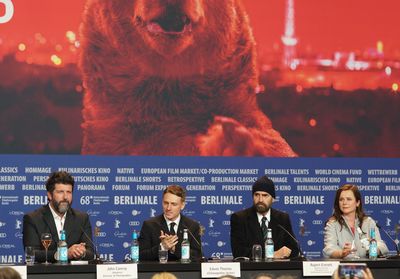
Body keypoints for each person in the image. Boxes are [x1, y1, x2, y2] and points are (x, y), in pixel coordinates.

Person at [23, 171, 94, 263]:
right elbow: (32, 253)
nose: (65, 197)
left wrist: (81, 252)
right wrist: (64, 254)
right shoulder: (33, 218)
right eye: (60, 192)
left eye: (69, 192)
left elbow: (91, 252)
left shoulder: (82, 218)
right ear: (49, 195)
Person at [230, 176, 299, 259]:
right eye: (256, 195)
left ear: (273, 199)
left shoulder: (282, 218)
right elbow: (238, 251)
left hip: (279, 270)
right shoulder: (239, 218)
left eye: (265, 195)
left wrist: (285, 252)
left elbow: (294, 249)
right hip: (251, 270)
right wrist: (271, 255)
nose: (260, 200)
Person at [323, 184, 388, 259]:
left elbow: (381, 245)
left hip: (368, 267)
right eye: (341, 199)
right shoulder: (332, 224)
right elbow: (329, 249)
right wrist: (342, 253)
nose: (344, 203)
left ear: (357, 202)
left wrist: (374, 249)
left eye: (349, 199)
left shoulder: (368, 222)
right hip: (343, 267)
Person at [139, 185, 202, 261]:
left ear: (182, 205)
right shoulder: (149, 225)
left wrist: (175, 249)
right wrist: (162, 247)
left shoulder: (192, 226)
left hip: (184, 272)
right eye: (166, 203)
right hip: (158, 272)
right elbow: (141, 255)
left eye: (173, 204)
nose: (168, 208)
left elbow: (198, 255)